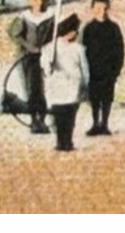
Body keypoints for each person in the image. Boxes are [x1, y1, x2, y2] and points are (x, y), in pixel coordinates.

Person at [8, 0, 54, 134]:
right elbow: (15, 35)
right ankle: (35, 120)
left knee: (42, 89)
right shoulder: (24, 17)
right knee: (31, 89)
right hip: (27, 58)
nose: (39, 3)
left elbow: (54, 35)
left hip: (44, 56)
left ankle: (42, 119)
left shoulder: (50, 17)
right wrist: (30, 47)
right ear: (30, 1)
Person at [44, 13, 89, 152]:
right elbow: (45, 66)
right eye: (75, 30)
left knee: (68, 117)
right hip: (58, 86)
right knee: (61, 116)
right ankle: (61, 141)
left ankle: (66, 141)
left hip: (72, 87)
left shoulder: (78, 49)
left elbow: (85, 69)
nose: (76, 33)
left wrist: (85, 84)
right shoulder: (50, 48)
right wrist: (48, 66)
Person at [80, 0, 124, 135]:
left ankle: (104, 124)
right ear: (92, 9)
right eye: (98, 8)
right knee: (94, 99)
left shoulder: (113, 28)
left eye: (105, 8)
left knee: (106, 98)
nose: (102, 12)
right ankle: (95, 123)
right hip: (93, 70)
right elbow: (83, 50)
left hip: (108, 70)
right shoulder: (88, 29)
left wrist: (116, 70)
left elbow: (119, 50)